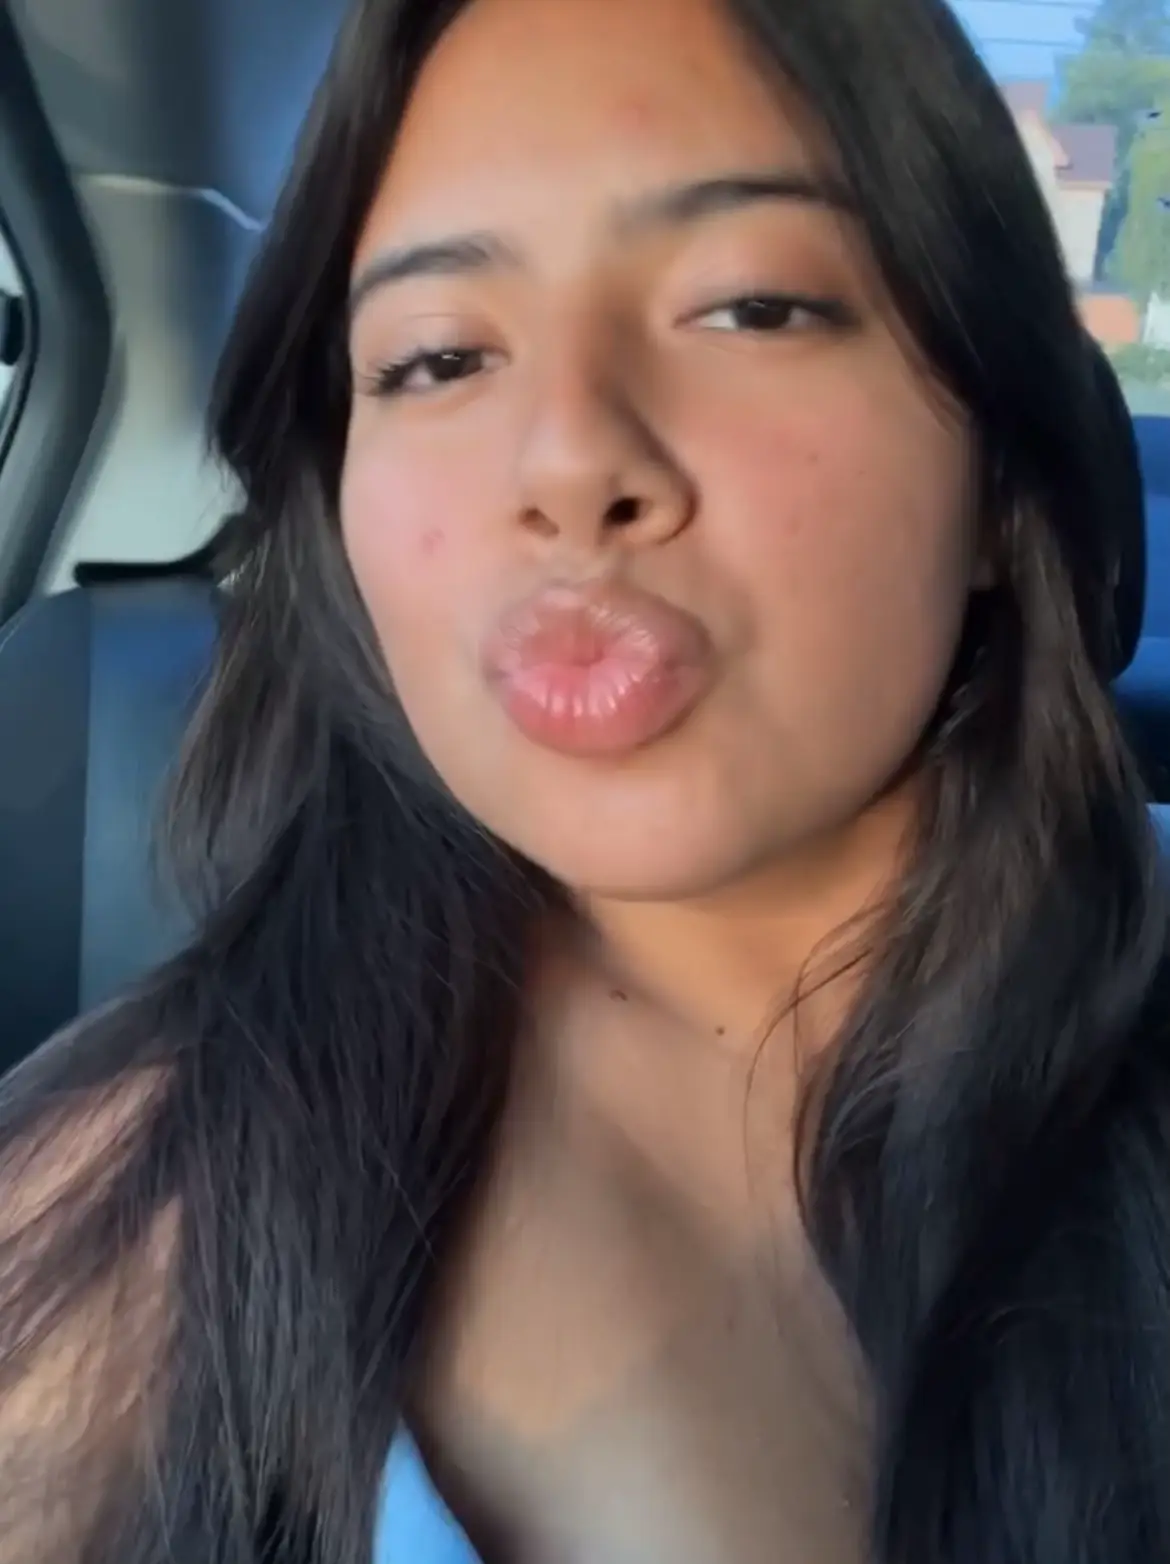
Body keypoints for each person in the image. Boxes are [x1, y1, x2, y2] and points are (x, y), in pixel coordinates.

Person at [1, 0, 1167, 1558]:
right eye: (435, 358)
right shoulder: (118, 1219)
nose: (565, 460)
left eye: (750, 307)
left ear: (999, 469)